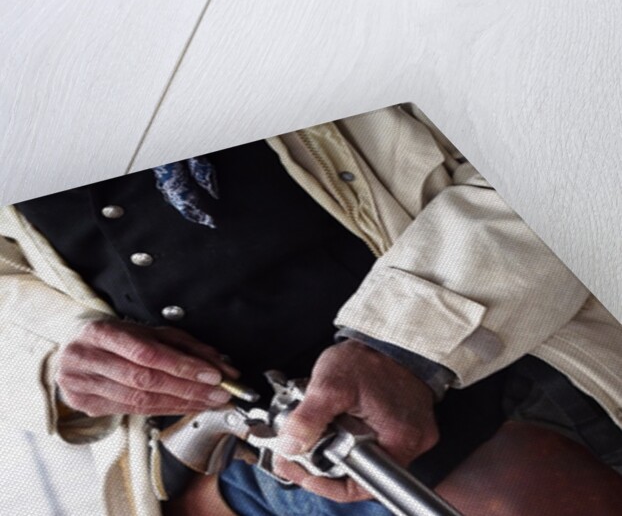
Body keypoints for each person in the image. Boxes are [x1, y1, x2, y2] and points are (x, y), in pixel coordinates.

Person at [1, 103, 622, 516]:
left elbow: (575, 148)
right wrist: (63, 348)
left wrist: (402, 348)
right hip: (232, 465)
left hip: (505, 371)